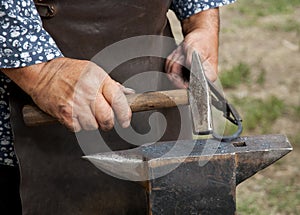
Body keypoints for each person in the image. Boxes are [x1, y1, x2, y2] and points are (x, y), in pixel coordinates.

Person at [0, 0, 236, 214]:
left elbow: (201, 10)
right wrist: (43, 73)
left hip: (154, 84)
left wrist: (202, 24)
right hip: (22, 106)